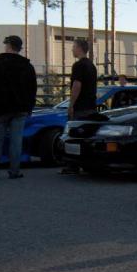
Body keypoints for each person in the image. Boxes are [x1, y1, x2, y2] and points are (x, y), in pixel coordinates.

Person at [0, 36, 37, 180]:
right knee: (16, 140)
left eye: (6, 44)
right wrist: (29, 107)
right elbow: (32, 89)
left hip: (0, 109)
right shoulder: (27, 66)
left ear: (9, 46)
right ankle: (14, 171)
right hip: (20, 110)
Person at [60, 39, 97, 174]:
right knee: (87, 137)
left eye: (74, 47)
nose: (72, 49)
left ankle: (72, 165)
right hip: (91, 107)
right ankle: (87, 164)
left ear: (80, 48)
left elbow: (77, 85)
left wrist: (71, 105)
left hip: (80, 108)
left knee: (73, 136)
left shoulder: (78, 65)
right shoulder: (92, 66)